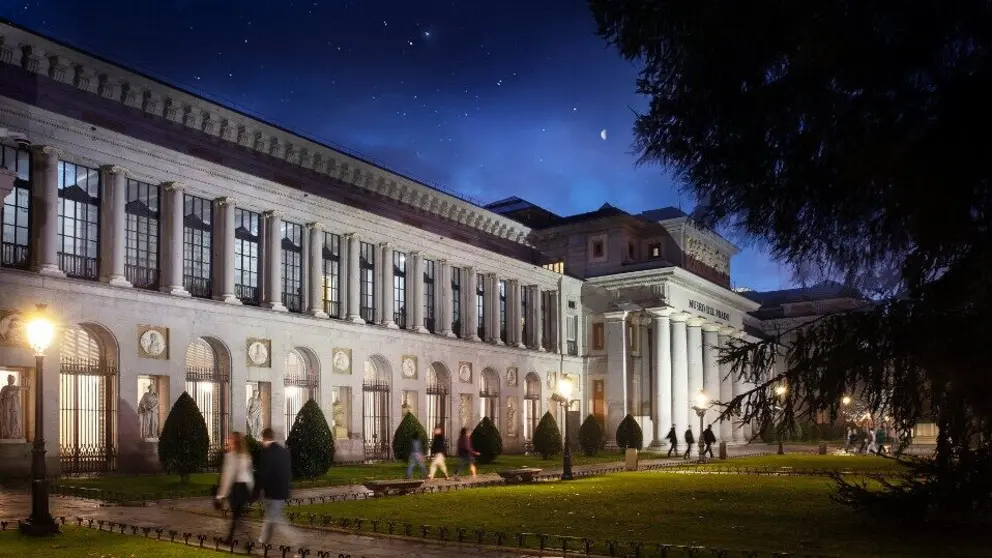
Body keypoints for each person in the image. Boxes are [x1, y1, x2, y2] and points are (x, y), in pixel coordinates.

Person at [254, 428, 300, 547]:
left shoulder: (267, 452)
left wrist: (257, 491)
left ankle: (297, 541)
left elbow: (263, 473)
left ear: (264, 438)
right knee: (270, 517)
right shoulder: (283, 451)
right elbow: (288, 472)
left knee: (277, 520)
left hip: (273, 491)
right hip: (282, 490)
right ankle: (263, 541)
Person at [215, 431, 254, 545]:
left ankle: (246, 540)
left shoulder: (230, 456)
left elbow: (227, 476)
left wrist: (220, 496)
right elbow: (250, 474)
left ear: (234, 442)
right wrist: (251, 491)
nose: (228, 441)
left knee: (237, 516)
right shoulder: (246, 455)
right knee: (237, 515)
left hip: (237, 488)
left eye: (230, 439)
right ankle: (234, 538)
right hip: (245, 487)